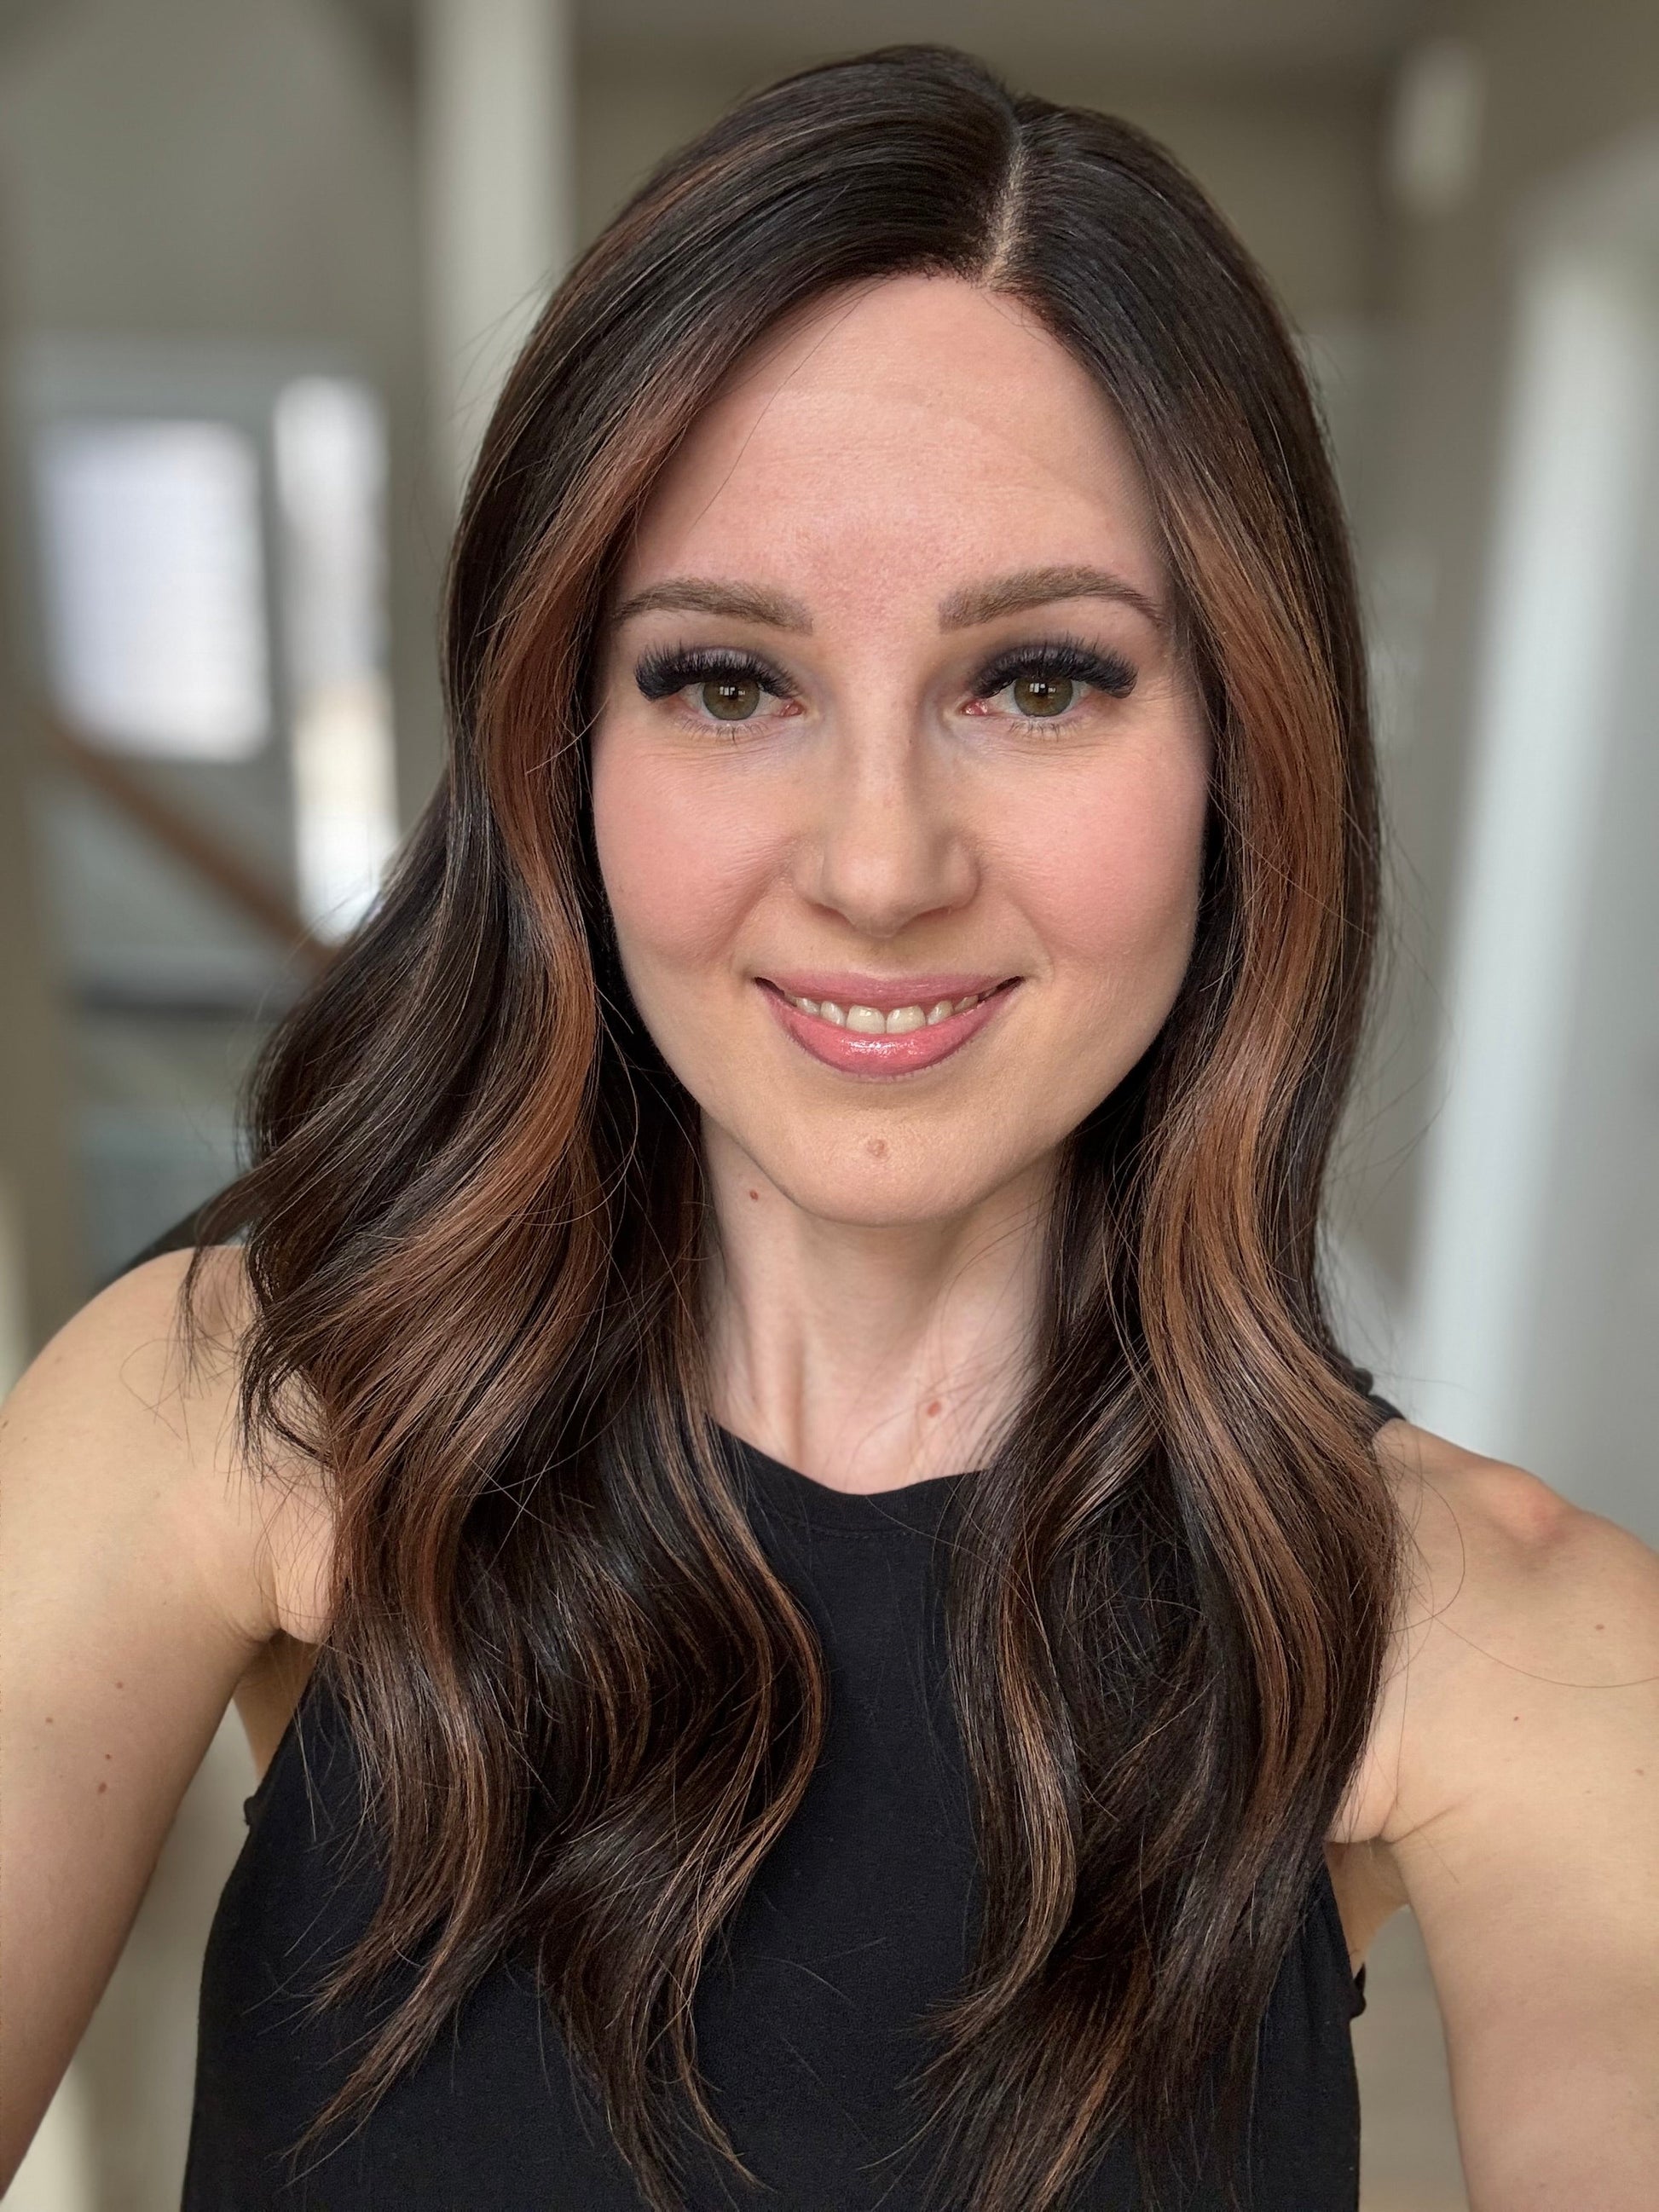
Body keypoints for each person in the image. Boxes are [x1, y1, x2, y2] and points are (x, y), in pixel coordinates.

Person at [3, 43, 1656, 2212]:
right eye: (726, 679)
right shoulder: (226, 1411)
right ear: (559, 746)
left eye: (1041, 677)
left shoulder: (1510, 1639)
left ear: (1242, 750)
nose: (879, 866)